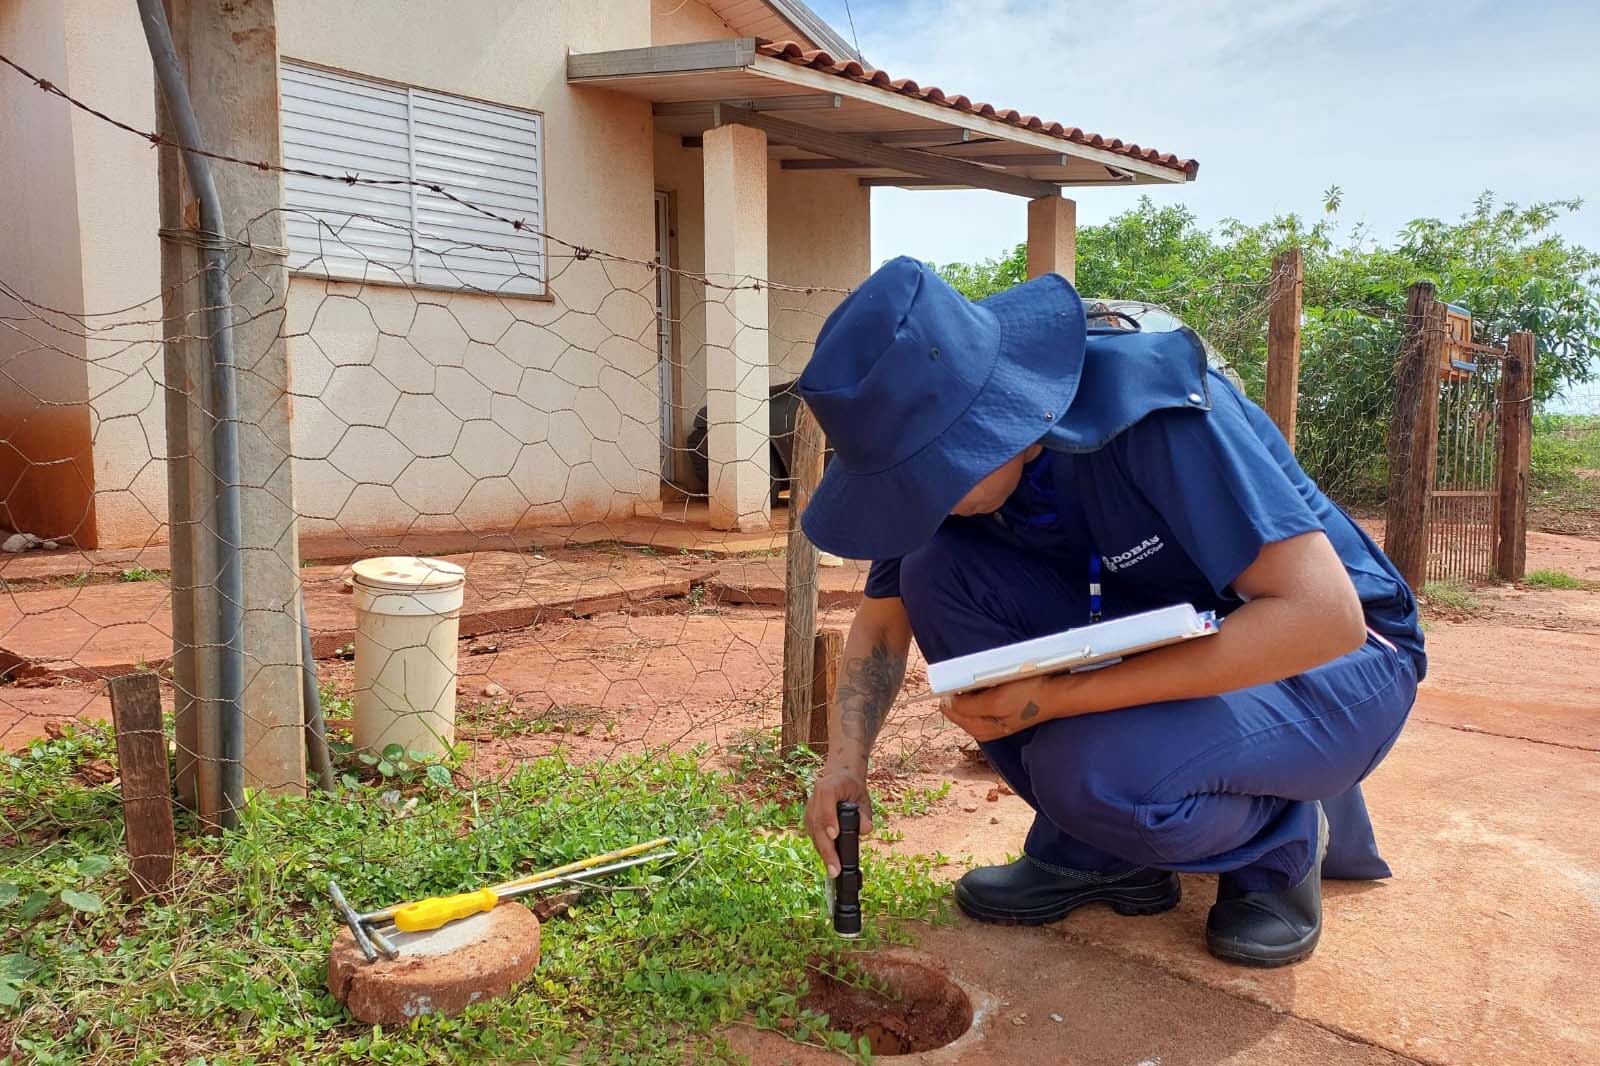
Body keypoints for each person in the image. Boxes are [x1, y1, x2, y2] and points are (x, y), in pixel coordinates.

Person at [797, 257, 1424, 967]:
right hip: (1170, 634)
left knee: (1091, 771)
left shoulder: (1149, 407)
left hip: (1337, 660)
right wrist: (844, 764)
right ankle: (1101, 850)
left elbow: (1322, 617)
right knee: (934, 570)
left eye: (934, 475)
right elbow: (884, 621)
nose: (926, 501)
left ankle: (1281, 843)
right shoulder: (948, 492)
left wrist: (1058, 697)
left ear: (998, 416)